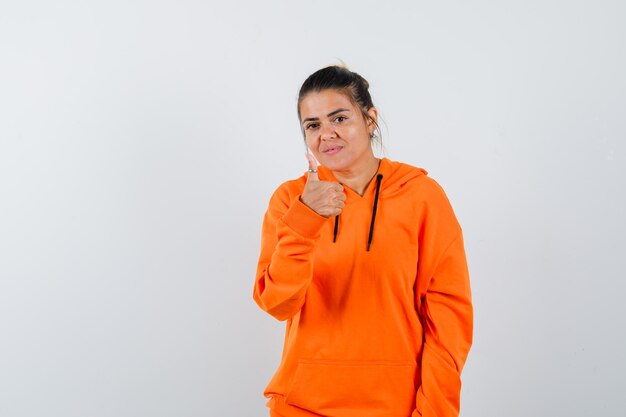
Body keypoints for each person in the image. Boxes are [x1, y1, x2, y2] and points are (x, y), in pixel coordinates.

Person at [253, 65, 473, 417]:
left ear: (370, 119)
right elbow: (278, 303)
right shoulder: (291, 199)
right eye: (313, 125)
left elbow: (449, 319)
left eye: (339, 118)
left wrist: (435, 411)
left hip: (399, 406)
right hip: (303, 405)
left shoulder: (421, 196)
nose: (326, 134)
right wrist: (305, 219)